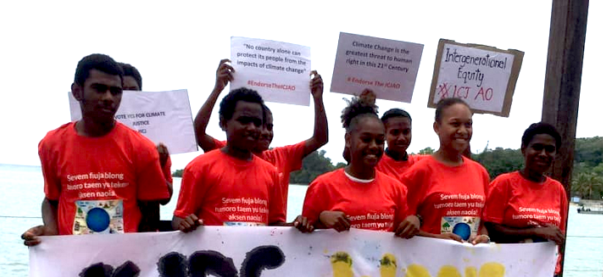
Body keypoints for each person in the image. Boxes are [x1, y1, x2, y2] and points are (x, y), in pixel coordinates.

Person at [21, 54, 169, 246]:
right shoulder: (51, 144)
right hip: (70, 261)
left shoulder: (143, 149)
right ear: (77, 91)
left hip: (122, 264)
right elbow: (51, 199)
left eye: (115, 91)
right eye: (99, 89)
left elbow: (150, 216)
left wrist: (139, 259)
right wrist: (49, 229)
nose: (108, 98)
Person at [482, 122, 576, 277]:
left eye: (550, 149)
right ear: (524, 149)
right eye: (537, 147)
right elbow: (491, 228)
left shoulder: (558, 190)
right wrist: (535, 230)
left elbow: (559, 235)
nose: (543, 154)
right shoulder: (504, 183)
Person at [193, 59, 328, 212]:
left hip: (272, 233)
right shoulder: (226, 151)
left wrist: (318, 99)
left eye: (269, 126)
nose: (264, 132)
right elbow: (197, 133)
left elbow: (320, 138)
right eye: (257, 124)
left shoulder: (282, 156)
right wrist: (217, 89)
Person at [298, 91, 419, 237]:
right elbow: (304, 236)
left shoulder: (397, 190)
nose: (374, 146)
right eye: (366, 139)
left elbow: (404, 237)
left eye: (380, 141)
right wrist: (321, 219)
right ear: (348, 140)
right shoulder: (322, 186)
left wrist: (415, 220)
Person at [172, 88, 285, 231]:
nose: (252, 128)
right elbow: (179, 218)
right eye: (244, 120)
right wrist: (185, 224)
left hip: (255, 253)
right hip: (212, 253)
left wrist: (298, 226)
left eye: (257, 123)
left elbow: (276, 225)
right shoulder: (199, 167)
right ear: (223, 123)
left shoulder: (271, 172)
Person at [400, 98, 490, 244]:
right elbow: (400, 228)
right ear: (437, 127)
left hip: (470, 264)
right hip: (427, 263)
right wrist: (438, 240)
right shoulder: (418, 172)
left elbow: (483, 224)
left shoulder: (480, 173)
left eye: (468, 124)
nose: (462, 131)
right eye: (455, 124)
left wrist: (484, 238)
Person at [118, 62, 173, 230]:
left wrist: (158, 165)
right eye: (121, 90)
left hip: (146, 232)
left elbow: (165, 198)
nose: (126, 96)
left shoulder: (155, 142)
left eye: (132, 91)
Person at [376, 108, 420, 180]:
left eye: (406, 132)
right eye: (395, 132)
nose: (401, 138)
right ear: (384, 135)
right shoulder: (374, 164)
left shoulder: (419, 164)